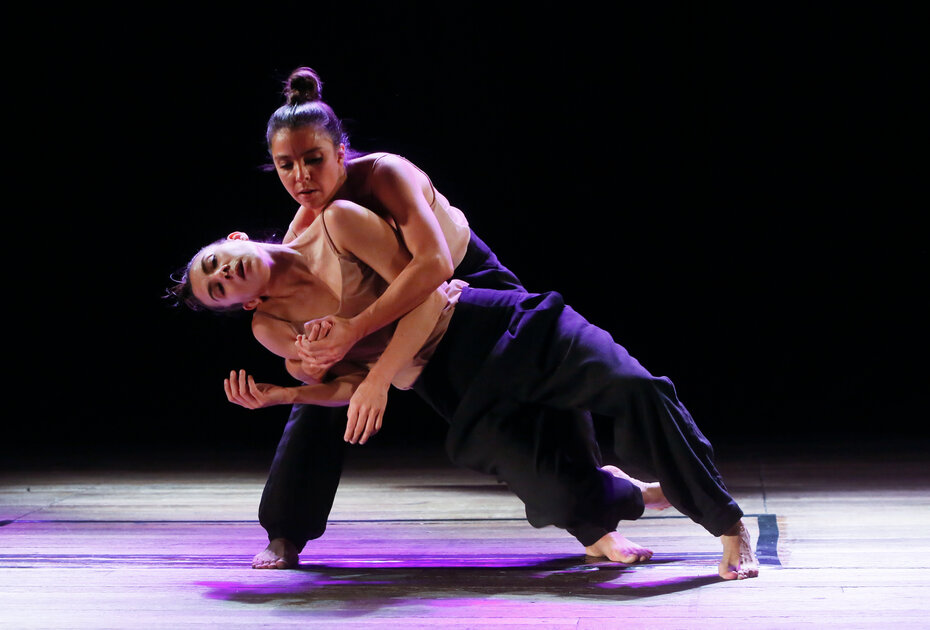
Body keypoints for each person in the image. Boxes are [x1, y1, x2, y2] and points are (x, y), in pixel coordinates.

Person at [169, 201, 760, 580]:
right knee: (555, 495)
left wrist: (366, 353)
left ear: (236, 236)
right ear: (241, 304)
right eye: (217, 287)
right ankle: (638, 496)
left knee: (638, 390)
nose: (224, 274)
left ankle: (728, 523)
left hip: (491, 322)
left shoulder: (335, 221)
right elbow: (344, 388)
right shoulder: (272, 327)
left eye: (218, 262)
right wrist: (284, 396)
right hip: (454, 388)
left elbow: (427, 282)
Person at [250, 67, 613, 571]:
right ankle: (284, 530)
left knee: (541, 371)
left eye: (313, 160)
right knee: (326, 381)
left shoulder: (384, 174)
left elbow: (435, 268)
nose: (301, 177)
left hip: (469, 276)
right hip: (401, 305)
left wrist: (369, 358)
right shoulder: (306, 224)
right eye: (285, 165)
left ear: (340, 153)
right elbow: (298, 318)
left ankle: (598, 522)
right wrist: (310, 357)